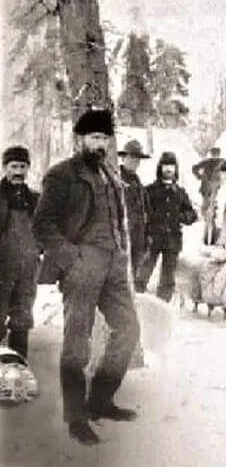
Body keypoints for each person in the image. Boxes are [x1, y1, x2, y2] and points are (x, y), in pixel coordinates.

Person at [32, 109, 141, 445]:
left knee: (128, 328)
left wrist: (122, 253)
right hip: (83, 265)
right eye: (94, 138)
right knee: (78, 342)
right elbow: (42, 225)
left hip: (113, 265)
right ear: (79, 140)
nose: (101, 144)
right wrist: (71, 258)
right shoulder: (62, 175)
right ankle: (76, 418)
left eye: (105, 138)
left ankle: (100, 400)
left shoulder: (110, 173)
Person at [137, 151, 198, 302]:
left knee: (168, 280)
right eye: (165, 166)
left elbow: (192, 214)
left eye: (171, 166)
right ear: (160, 168)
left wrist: (181, 216)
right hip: (152, 239)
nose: (168, 169)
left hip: (173, 241)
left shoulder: (180, 192)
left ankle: (161, 309)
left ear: (176, 169)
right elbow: (141, 213)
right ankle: (136, 305)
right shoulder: (149, 191)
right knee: (142, 275)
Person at [0, 145, 40, 360]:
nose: (18, 171)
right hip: (2, 268)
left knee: (22, 317)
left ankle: (18, 369)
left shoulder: (35, 199)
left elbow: (46, 230)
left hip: (27, 269)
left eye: (22, 166)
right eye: (13, 166)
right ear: (5, 168)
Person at [117, 139, 150, 289]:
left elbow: (145, 209)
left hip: (138, 235)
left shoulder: (137, 181)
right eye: (131, 158)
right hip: (123, 234)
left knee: (134, 271)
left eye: (137, 159)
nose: (135, 162)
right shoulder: (116, 178)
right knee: (120, 273)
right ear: (124, 158)